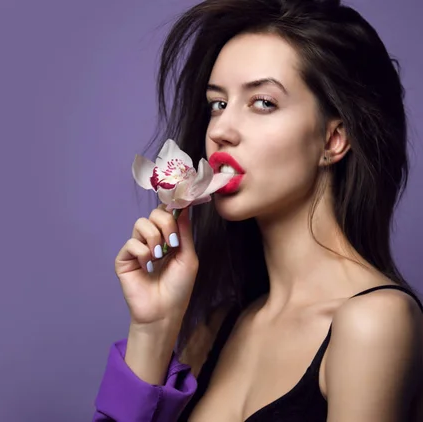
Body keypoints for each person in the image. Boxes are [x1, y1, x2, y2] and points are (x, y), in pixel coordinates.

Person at [93, 0, 423, 420]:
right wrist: (153, 329)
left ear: (333, 139)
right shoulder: (216, 329)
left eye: (263, 102)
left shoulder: (374, 324)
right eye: (217, 104)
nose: (220, 131)